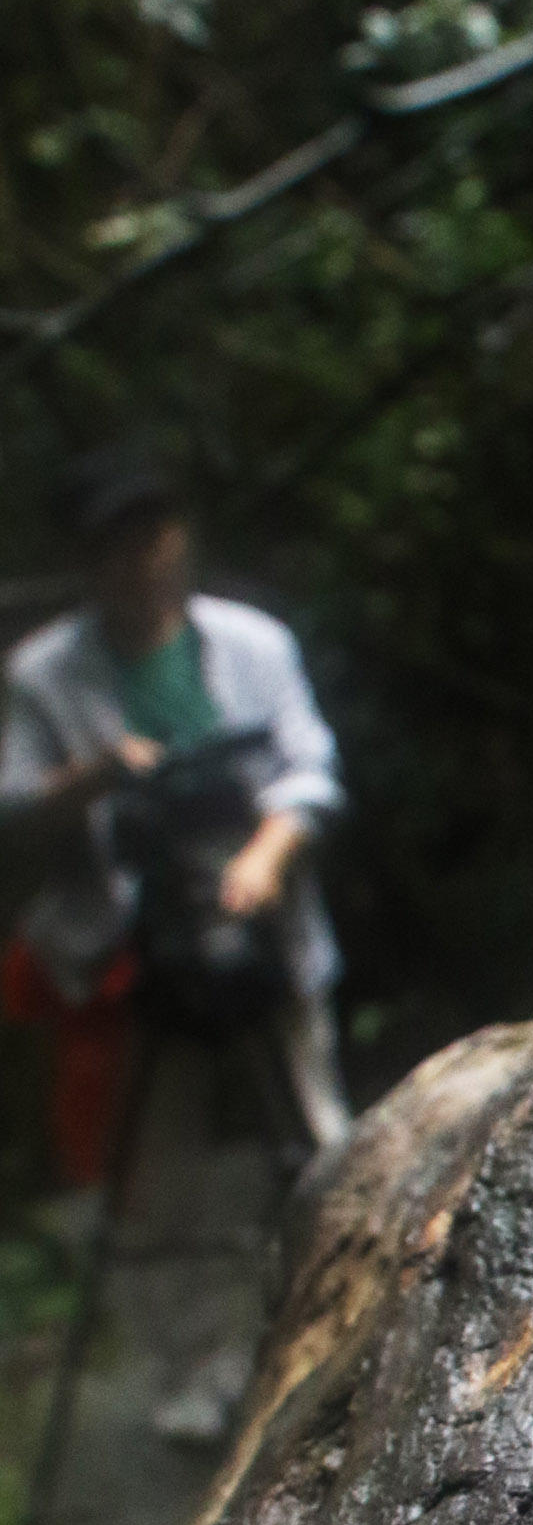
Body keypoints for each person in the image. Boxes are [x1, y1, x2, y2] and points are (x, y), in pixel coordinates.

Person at [0, 447, 351, 1185]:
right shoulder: (43, 675)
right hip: (131, 949)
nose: (138, 562)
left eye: (151, 536)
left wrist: (264, 858)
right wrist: (98, 775)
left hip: (261, 925)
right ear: (86, 560)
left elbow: (308, 770)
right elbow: (17, 807)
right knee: (153, 1163)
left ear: (181, 537)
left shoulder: (253, 644)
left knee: (324, 1139)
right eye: (115, 547)